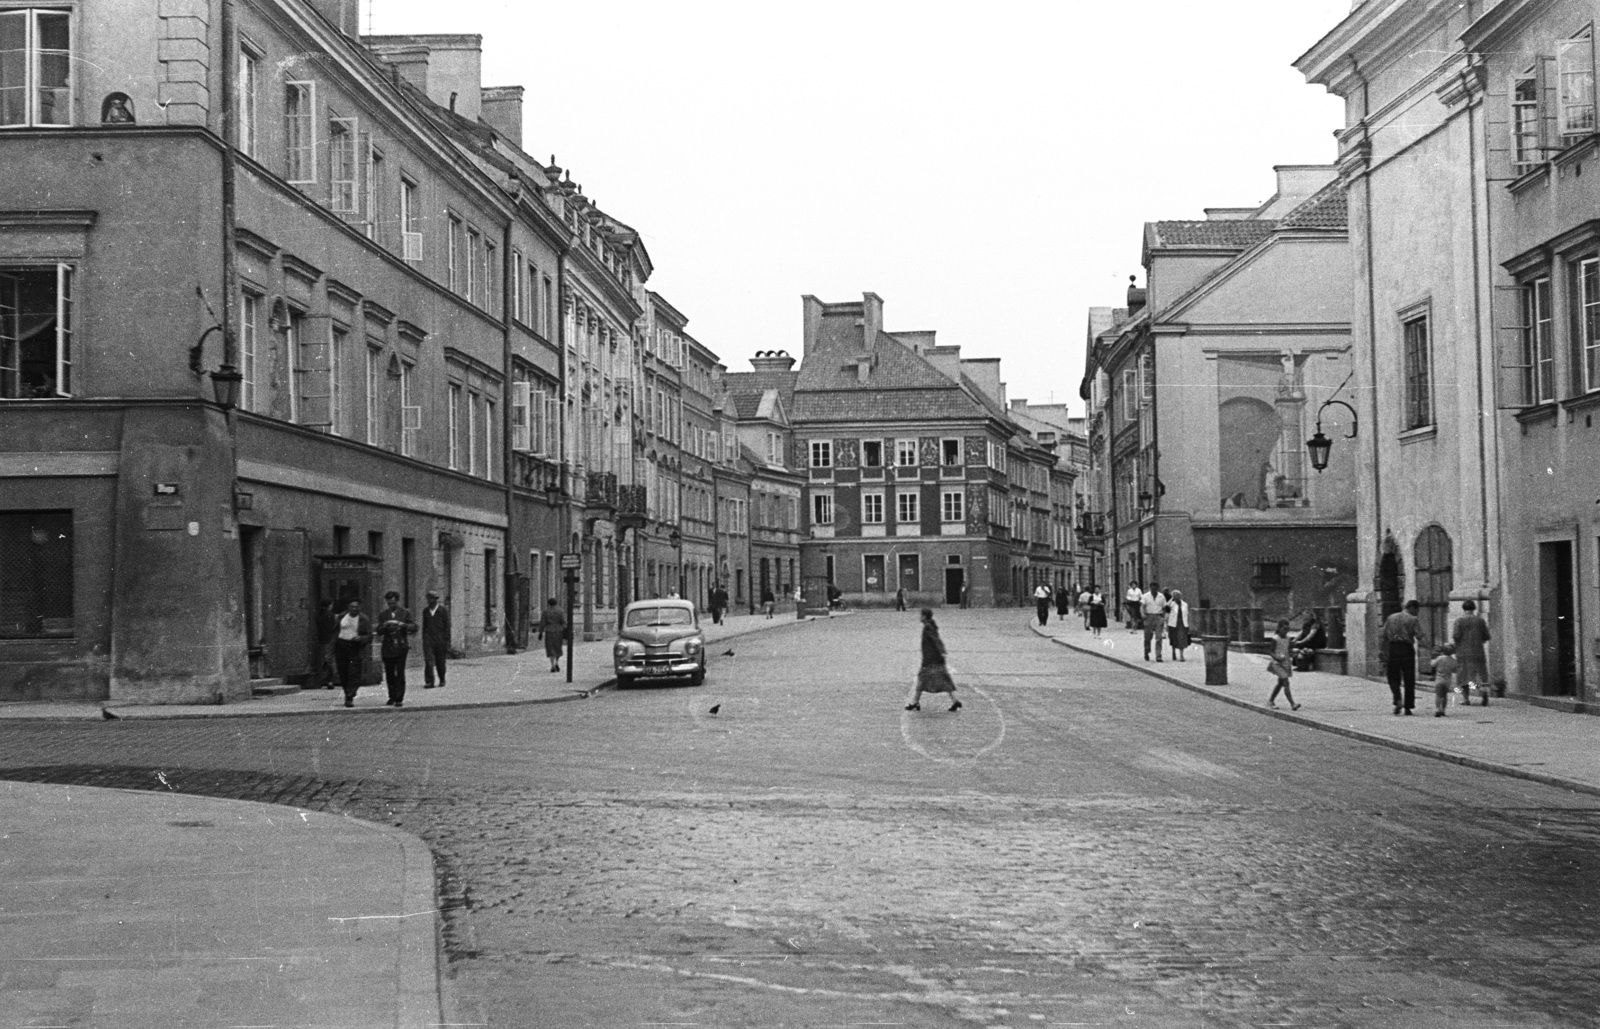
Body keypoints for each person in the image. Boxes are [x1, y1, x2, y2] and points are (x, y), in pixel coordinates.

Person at [905, 608, 961, 713]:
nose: (919, 617)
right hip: (935, 659)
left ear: (925, 616)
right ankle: (955, 701)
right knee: (944, 680)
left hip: (931, 660)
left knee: (922, 680)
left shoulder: (928, 627)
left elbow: (935, 640)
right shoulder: (931, 626)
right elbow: (937, 639)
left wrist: (941, 650)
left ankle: (914, 703)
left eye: (921, 615)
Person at [1382, 599, 1427, 715]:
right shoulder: (1413, 619)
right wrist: (1429, 648)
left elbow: (1383, 634)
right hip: (1407, 649)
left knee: (1392, 676)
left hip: (1393, 648)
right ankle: (1408, 707)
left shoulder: (1391, 617)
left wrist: (1383, 649)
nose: (1417, 613)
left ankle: (1397, 699)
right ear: (1412, 608)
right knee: (1409, 678)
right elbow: (1420, 636)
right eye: (1417, 610)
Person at [376, 591, 416, 708]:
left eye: (393, 603)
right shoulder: (383, 614)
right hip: (388, 646)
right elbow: (379, 630)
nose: (391, 605)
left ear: (397, 601)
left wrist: (402, 625)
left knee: (400, 672)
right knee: (389, 673)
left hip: (401, 646)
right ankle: (391, 696)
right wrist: (384, 626)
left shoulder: (405, 613)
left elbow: (414, 627)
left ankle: (399, 697)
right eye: (389, 603)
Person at [1452, 599, 1492, 706]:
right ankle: (1483, 691)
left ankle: (1466, 699)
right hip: (1478, 650)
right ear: (1474, 608)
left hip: (1463, 652)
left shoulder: (1459, 621)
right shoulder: (1480, 621)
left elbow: (1456, 636)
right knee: (1480, 673)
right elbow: (1486, 636)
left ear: (1463, 608)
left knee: (1464, 675)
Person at [333, 599, 372, 709]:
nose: (354, 609)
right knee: (343, 672)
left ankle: (350, 695)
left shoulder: (364, 619)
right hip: (341, 645)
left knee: (353, 671)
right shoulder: (341, 617)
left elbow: (369, 635)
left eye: (356, 607)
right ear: (348, 607)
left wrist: (361, 638)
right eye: (351, 606)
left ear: (360, 608)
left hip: (354, 646)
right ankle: (347, 692)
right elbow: (334, 631)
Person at [1266, 618, 1301, 710]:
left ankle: (1271, 700)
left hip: (1285, 663)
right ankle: (1292, 704)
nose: (1286, 631)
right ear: (1279, 628)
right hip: (1276, 663)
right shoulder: (1275, 638)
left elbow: (1288, 649)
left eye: (1287, 629)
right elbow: (1270, 651)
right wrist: (1276, 657)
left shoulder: (1288, 638)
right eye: (1284, 629)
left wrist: (1294, 652)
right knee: (1285, 681)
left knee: (1280, 683)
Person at [421, 590, 451, 689]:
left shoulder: (442, 610)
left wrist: (446, 640)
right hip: (429, 639)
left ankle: (442, 678)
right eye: (428, 598)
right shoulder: (426, 611)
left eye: (432, 598)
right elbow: (424, 626)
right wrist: (424, 638)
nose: (430, 600)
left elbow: (447, 626)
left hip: (440, 639)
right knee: (429, 660)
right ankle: (429, 681)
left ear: (436, 599)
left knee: (440, 661)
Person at [1140, 582, 1168, 661]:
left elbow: (1164, 607)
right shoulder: (1145, 596)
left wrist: (1163, 617)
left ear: (1158, 588)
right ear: (1150, 588)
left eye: (1155, 588)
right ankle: (1146, 651)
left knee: (1159, 637)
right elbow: (1142, 606)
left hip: (1158, 616)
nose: (1154, 589)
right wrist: (1143, 614)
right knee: (1148, 637)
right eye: (1152, 588)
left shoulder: (1161, 596)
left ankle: (1158, 655)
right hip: (1149, 616)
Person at [537, 597, 566, 673]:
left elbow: (542, 623)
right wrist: (562, 628)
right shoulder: (560, 611)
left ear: (549, 604)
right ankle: (557, 662)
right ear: (556, 603)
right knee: (558, 648)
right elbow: (564, 622)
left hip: (549, 631)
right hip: (558, 632)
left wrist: (540, 632)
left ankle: (552, 665)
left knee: (550, 649)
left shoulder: (546, 612)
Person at [1431, 642, 1459, 717]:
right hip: (1447, 681)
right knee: (1444, 696)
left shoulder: (1440, 658)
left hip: (1439, 680)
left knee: (1438, 695)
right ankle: (1443, 710)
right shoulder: (1453, 661)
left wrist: (1432, 659)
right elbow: (1455, 670)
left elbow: (1433, 664)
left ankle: (1437, 709)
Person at [1166, 588, 1191, 661]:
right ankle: (1173, 652)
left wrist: (1188, 625)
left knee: (1181, 639)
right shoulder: (1171, 604)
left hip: (1182, 623)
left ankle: (1181, 655)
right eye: (1175, 596)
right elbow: (1167, 607)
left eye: (1178, 595)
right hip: (1173, 623)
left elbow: (1187, 614)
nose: (1177, 597)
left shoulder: (1185, 604)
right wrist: (1171, 599)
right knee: (1173, 638)